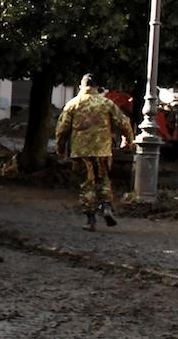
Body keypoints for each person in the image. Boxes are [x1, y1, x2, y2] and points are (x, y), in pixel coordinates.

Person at [55, 73, 134, 230]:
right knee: (103, 179)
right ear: (97, 87)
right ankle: (106, 207)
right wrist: (129, 141)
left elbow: (62, 129)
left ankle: (90, 220)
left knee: (87, 183)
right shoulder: (106, 103)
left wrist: (60, 148)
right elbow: (124, 122)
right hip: (102, 150)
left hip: (80, 151)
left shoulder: (73, 104)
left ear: (81, 86)